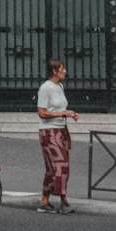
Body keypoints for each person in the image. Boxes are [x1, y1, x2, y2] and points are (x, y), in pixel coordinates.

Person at [38, 58, 79, 214]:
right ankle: (63, 201)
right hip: (49, 132)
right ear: (54, 71)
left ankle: (44, 201)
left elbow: (59, 109)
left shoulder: (59, 86)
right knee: (62, 166)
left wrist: (69, 114)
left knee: (52, 168)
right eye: (62, 68)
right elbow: (41, 113)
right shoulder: (45, 88)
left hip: (59, 130)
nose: (65, 71)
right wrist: (63, 113)